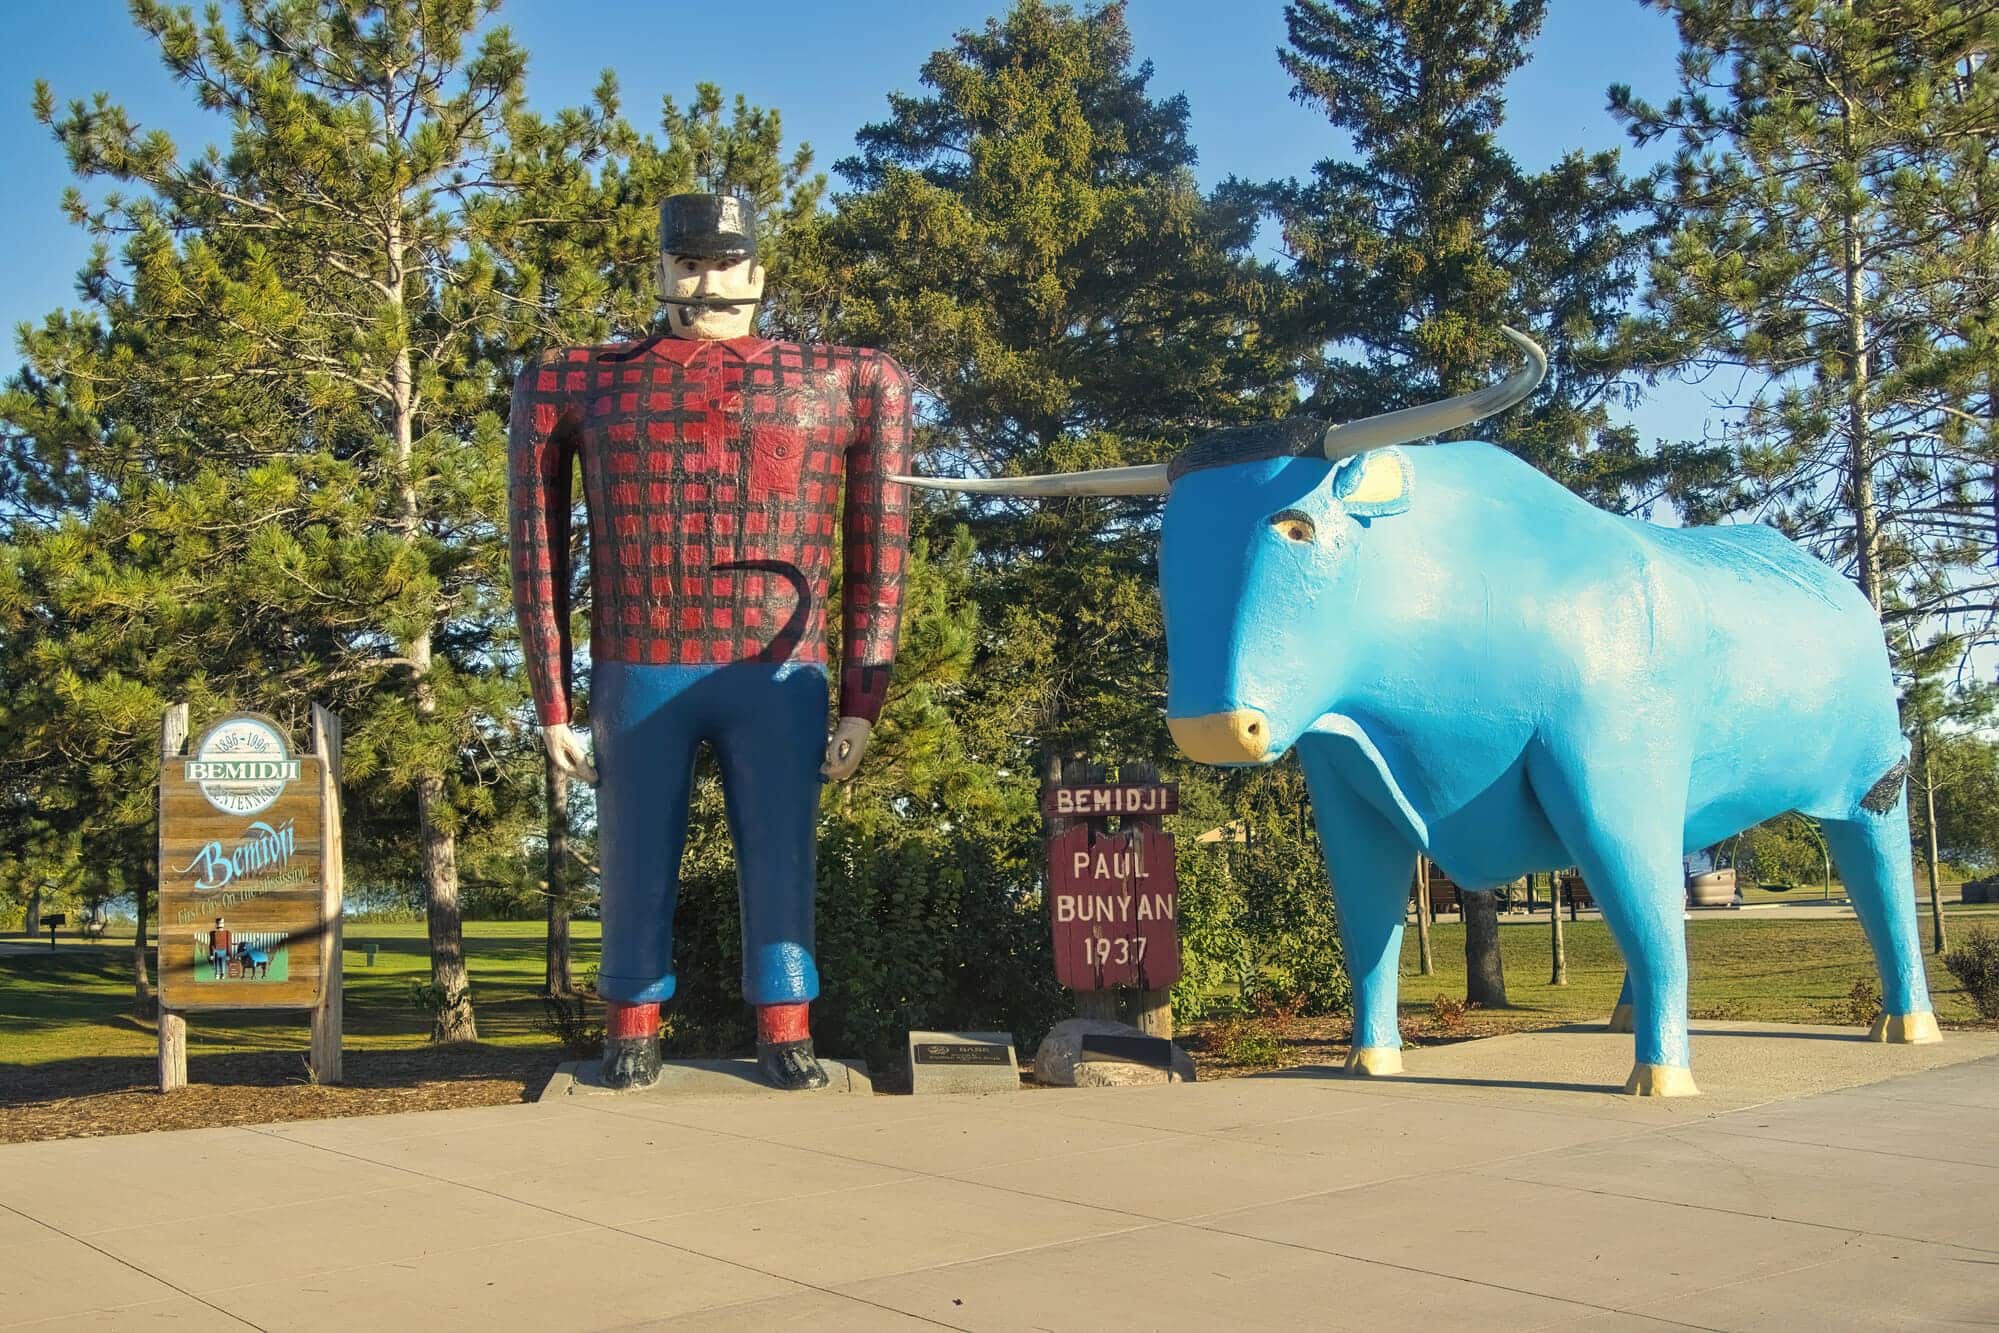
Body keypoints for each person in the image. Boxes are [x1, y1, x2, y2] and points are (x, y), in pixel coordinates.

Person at [508, 193, 913, 1091]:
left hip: (778, 664)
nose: (706, 281)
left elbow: (878, 542)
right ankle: (632, 1027)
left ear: (758, 275)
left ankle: (785, 1025)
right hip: (640, 657)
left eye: (725, 262)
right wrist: (552, 701)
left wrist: (861, 696)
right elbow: (535, 542)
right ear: (659, 272)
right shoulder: (577, 380)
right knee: (632, 848)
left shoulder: (848, 380)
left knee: (781, 848)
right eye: (687, 262)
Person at [207, 917, 231, 981]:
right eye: (219, 923)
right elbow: (211, 943)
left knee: (223, 962)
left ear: (223, 924)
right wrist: (211, 954)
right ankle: (217, 974)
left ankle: (222, 974)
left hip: (223, 950)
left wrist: (228, 954)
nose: (220, 924)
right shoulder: (212, 933)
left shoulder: (227, 933)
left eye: (222, 923)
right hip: (215, 950)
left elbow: (228, 943)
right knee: (216, 963)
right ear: (216, 924)